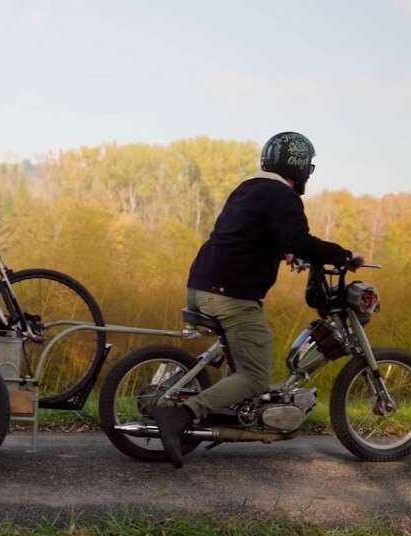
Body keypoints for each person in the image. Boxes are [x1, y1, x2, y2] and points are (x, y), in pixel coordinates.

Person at [154, 131, 363, 468]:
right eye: (307, 168)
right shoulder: (282, 195)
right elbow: (299, 238)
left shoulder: (249, 189)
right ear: (297, 167)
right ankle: (182, 414)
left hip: (202, 285)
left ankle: (226, 411)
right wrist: (343, 255)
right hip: (230, 295)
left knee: (246, 357)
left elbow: (251, 234)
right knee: (256, 377)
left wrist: (285, 252)